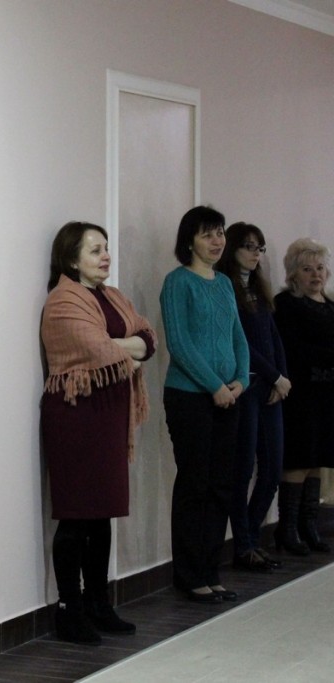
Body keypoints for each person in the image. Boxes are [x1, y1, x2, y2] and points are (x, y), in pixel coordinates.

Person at [40, 221, 155, 644]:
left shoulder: (113, 296)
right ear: (72, 259)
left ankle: (99, 603)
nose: (105, 256)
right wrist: (125, 347)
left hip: (108, 412)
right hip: (76, 412)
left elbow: (148, 338)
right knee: (76, 515)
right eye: (94, 250)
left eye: (105, 248)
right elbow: (96, 347)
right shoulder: (62, 300)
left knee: (102, 512)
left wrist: (122, 346)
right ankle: (69, 609)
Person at [160, 206, 249, 604]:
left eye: (220, 233)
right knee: (195, 484)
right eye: (207, 234)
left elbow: (237, 337)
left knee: (221, 485)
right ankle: (189, 574)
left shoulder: (225, 283)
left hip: (229, 396)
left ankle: (211, 571)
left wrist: (242, 380)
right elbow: (179, 344)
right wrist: (215, 386)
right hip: (190, 397)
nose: (217, 241)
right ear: (189, 241)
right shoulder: (177, 282)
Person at [216, 223, 290, 570]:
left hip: (271, 389)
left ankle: (251, 539)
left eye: (260, 248)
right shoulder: (224, 288)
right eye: (248, 246)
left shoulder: (259, 291)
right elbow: (241, 344)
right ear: (232, 248)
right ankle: (244, 546)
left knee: (272, 470)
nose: (255, 254)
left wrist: (281, 378)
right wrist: (274, 376)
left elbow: (273, 338)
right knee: (243, 469)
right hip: (245, 386)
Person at [273, 238, 334, 556]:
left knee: (319, 457)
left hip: (327, 394)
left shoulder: (330, 305)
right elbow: (293, 349)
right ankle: (288, 529)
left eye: (320, 268)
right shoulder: (286, 304)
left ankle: (309, 525)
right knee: (299, 456)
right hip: (300, 394)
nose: (316, 274)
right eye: (307, 269)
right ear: (293, 274)